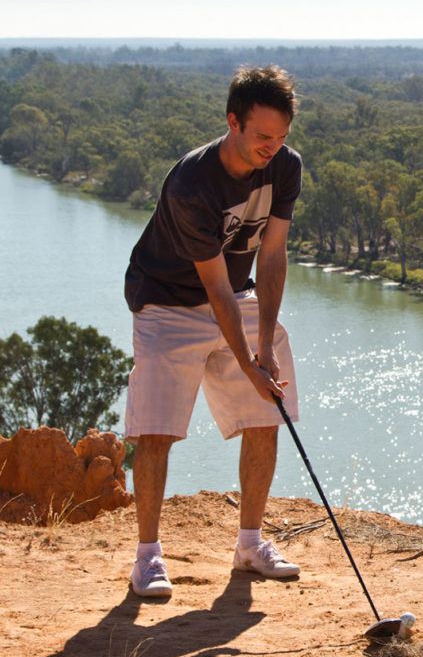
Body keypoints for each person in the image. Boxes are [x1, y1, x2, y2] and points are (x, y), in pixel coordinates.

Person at [123, 65, 304, 598]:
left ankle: (250, 544)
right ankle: (147, 559)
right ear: (233, 122)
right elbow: (214, 288)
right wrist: (247, 362)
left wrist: (264, 348)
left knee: (265, 415)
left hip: (236, 295)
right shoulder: (191, 184)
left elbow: (271, 258)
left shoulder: (285, 168)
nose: (272, 147)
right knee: (156, 431)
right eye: (262, 137)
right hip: (167, 301)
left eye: (282, 137)